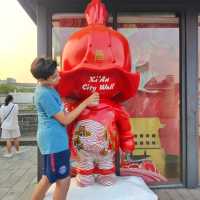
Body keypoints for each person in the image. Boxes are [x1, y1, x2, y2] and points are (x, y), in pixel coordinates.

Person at [30, 57, 99, 200]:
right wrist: (86, 102)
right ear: (43, 79)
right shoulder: (44, 94)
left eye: (57, 72)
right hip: (54, 142)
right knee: (63, 180)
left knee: (49, 177)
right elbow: (65, 119)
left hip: (53, 140)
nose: (59, 76)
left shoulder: (47, 88)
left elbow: (61, 110)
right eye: (54, 76)